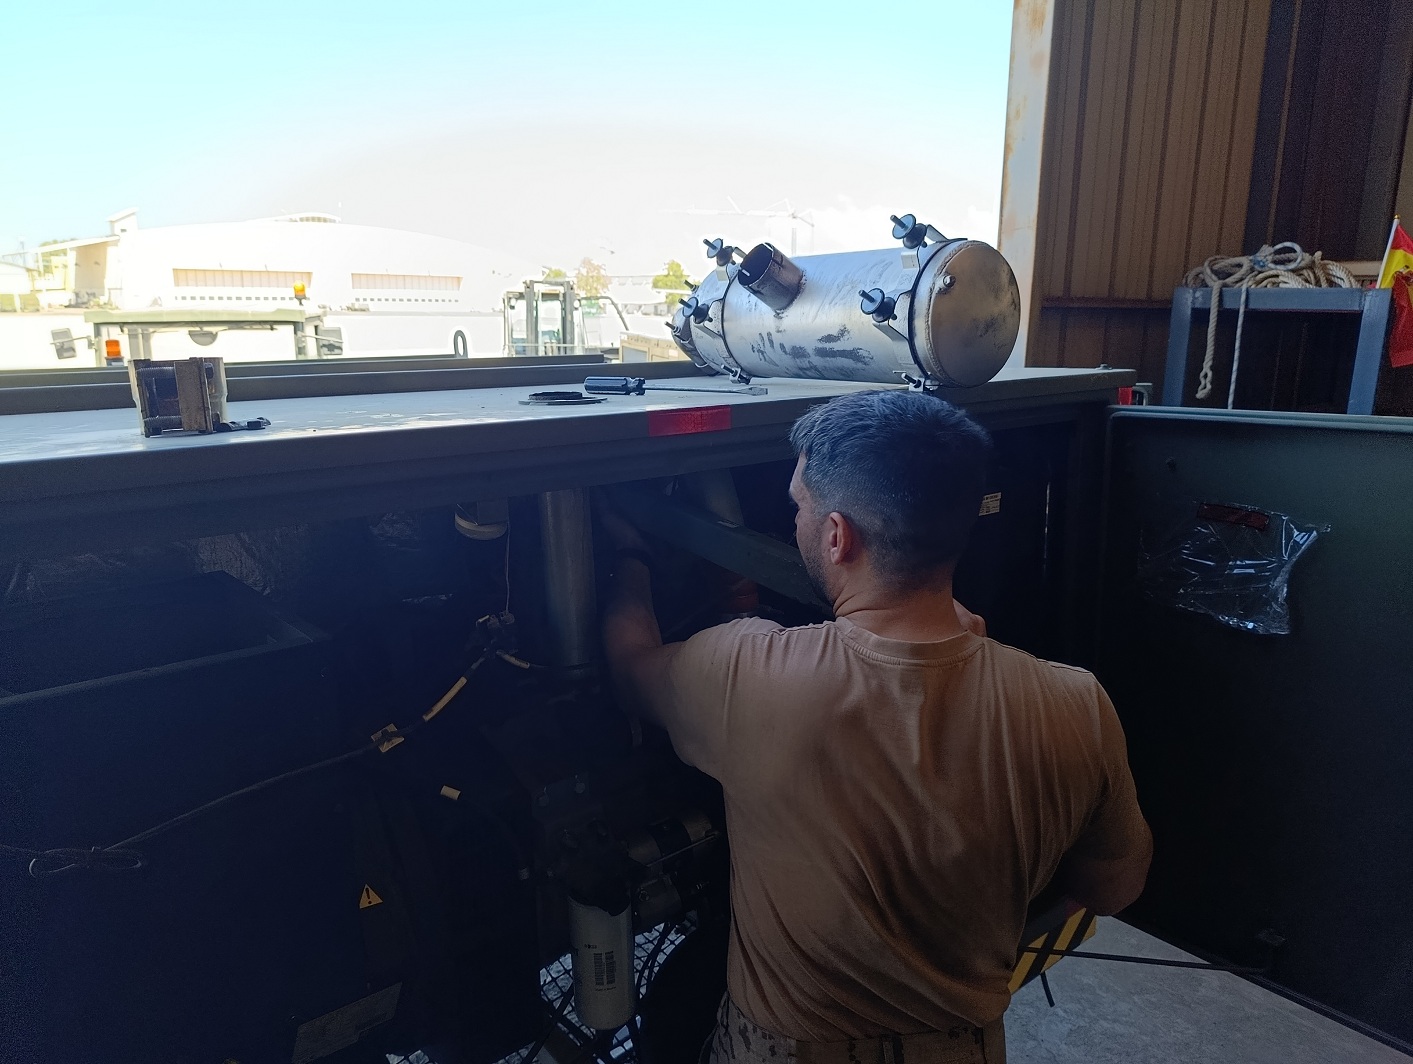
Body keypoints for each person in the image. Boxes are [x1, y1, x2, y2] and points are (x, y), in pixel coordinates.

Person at [601, 390, 1152, 1064]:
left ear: (837, 536)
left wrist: (629, 562)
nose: (795, 519)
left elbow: (630, 669)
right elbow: (1111, 887)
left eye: (799, 506)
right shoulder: (1078, 705)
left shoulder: (745, 673)